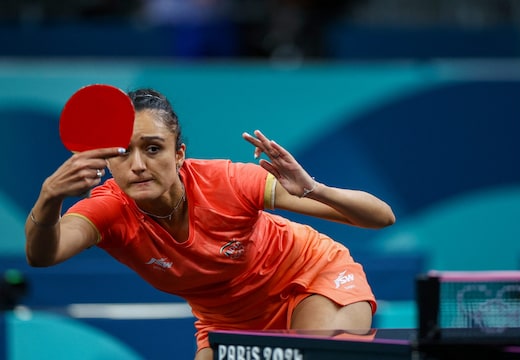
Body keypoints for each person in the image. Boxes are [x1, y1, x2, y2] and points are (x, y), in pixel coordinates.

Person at [24, 88, 396, 360]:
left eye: (153, 148)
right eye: (122, 153)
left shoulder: (229, 182)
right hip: (228, 319)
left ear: (179, 154)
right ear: (108, 161)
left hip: (311, 279)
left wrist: (312, 188)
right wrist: (49, 197)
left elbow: (380, 217)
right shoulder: (109, 211)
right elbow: (45, 254)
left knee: (314, 357)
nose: (137, 165)